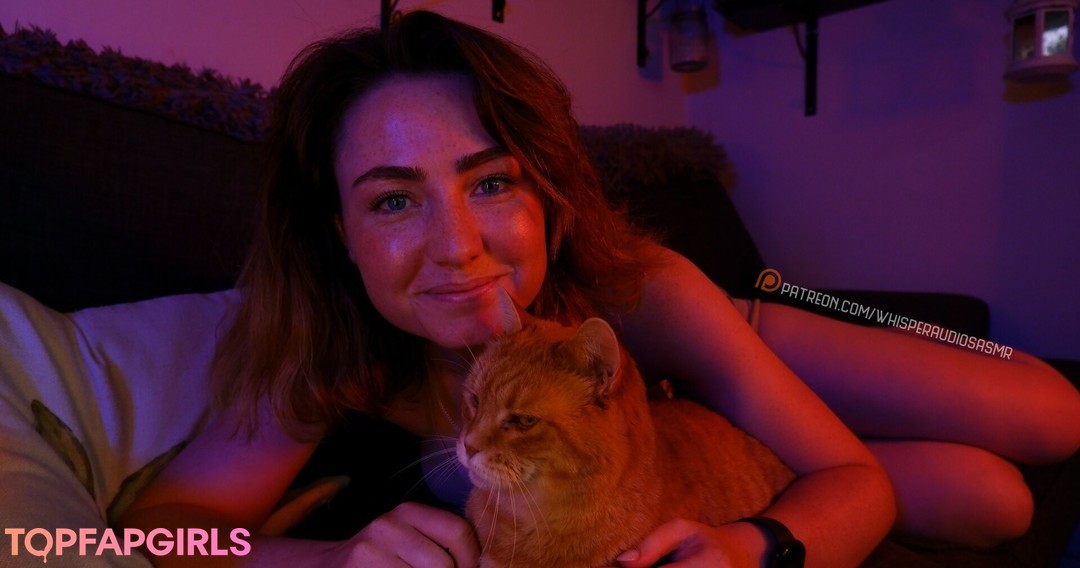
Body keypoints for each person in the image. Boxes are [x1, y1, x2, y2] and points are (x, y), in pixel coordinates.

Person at [119, 10, 1080, 567]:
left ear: (547, 194)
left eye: (490, 184)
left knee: (1053, 409)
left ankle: (813, 372)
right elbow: (154, 539)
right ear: (341, 233)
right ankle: (762, 440)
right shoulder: (339, 350)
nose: (457, 248)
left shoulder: (646, 291)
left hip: (734, 327)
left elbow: (851, 483)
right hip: (665, 443)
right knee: (988, 496)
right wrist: (332, 557)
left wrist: (758, 547)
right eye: (395, 201)